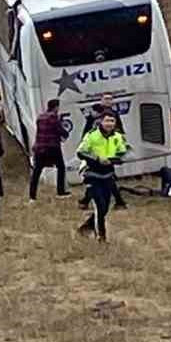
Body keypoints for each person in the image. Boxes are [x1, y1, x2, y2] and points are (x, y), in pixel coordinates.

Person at [76, 113, 128, 242]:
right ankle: (101, 237)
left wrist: (112, 160)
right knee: (100, 206)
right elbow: (80, 152)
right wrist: (98, 159)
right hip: (92, 174)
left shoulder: (117, 137)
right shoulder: (92, 135)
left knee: (105, 208)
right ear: (101, 122)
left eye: (112, 121)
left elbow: (122, 154)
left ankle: (87, 226)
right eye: (107, 121)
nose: (109, 123)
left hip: (108, 176)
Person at [29, 99, 70, 202]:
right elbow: (59, 130)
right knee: (61, 167)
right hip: (52, 147)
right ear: (56, 107)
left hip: (39, 148)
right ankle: (60, 192)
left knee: (37, 171)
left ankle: (32, 196)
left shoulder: (40, 117)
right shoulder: (53, 117)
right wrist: (65, 134)